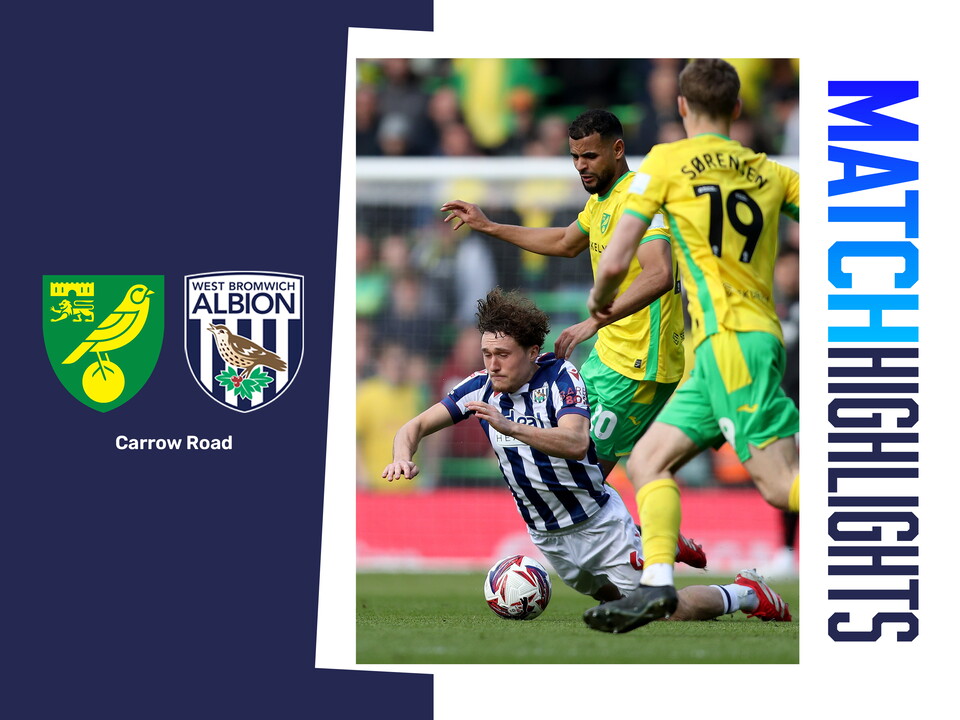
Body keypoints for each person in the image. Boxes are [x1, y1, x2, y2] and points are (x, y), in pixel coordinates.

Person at [382, 288, 791, 622]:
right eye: (487, 355)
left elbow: (577, 443)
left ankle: (747, 594)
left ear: (531, 351)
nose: (492, 365)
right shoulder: (478, 388)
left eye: (502, 355)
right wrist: (402, 454)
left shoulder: (563, 378)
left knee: (665, 610)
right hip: (547, 536)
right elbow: (412, 427)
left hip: (597, 523)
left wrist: (508, 427)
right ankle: (653, 541)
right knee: (610, 601)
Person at [584, 58, 800, 633]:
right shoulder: (774, 174)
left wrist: (600, 298)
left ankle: (897, 491)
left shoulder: (666, 161)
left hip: (733, 343)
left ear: (681, 106)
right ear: (736, 108)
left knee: (782, 488)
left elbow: (620, 250)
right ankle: (656, 586)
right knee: (649, 459)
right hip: (717, 352)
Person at [440, 109, 685, 480]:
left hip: (641, 365)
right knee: (568, 469)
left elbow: (660, 274)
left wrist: (593, 322)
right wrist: (488, 226)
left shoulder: (640, 197)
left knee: (582, 475)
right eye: (575, 157)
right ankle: (656, 536)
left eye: (590, 156)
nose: (581, 166)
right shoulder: (602, 201)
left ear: (618, 149)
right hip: (610, 354)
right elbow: (565, 241)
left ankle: (663, 538)